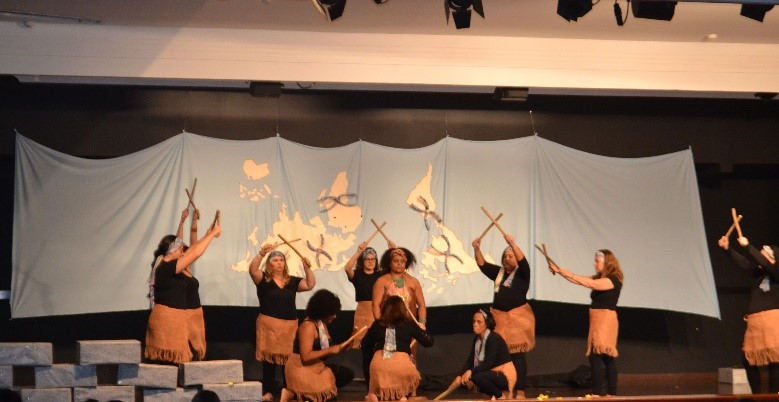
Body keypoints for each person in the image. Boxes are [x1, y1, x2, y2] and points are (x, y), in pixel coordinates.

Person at [145, 211, 221, 364]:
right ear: (172, 250)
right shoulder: (165, 267)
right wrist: (212, 234)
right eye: (180, 250)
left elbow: (193, 249)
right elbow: (194, 252)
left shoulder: (174, 267)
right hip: (168, 320)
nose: (182, 253)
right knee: (170, 365)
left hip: (180, 319)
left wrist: (205, 233)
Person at [549, 249, 623, 397]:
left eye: (597, 261)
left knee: (597, 356)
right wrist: (560, 271)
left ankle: (598, 393)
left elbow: (590, 284)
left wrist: (569, 273)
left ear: (607, 263)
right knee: (606, 357)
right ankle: (611, 394)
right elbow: (579, 280)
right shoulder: (600, 277)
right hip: (598, 320)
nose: (594, 264)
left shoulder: (612, 279)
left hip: (605, 320)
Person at [249, 244, 316, 401]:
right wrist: (261, 253)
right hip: (269, 326)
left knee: (288, 361)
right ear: (269, 263)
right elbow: (252, 270)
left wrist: (307, 268)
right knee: (269, 360)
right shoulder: (263, 279)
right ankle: (269, 391)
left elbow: (310, 284)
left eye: (281, 260)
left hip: (288, 327)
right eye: (275, 260)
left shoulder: (291, 281)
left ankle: (288, 389)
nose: (279, 263)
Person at [471, 234, 534, 397]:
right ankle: (502, 389)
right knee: (499, 355)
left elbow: (523, 261)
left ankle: (520, 390)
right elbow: (482, 264)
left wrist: (512, 244)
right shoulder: (499, 273)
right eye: (505, 256)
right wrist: (477, 248)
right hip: (499, 319)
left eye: (511, 256)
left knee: (517, 356)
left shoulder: (523, 273)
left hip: (517, 319)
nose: (507, 258)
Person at [718, 234, 779, 393]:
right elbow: (745, 263)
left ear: (773, 259)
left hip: (772, 322)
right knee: (748, 359)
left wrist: (748, 246)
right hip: (755, 324)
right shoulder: (759, 275)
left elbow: (765, 263)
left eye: (763, 255)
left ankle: (774, 396)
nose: (760, 258)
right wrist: (728, 249)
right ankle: (757, 394)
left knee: (775, 360)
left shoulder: (776, 274)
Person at [281, 289, 355, 402]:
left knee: (346, 374)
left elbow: (325, 349)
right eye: (332, 313)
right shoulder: (308, 326)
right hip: (301, 368)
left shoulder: (321, 324)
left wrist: (342, 347)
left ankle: (300, 396)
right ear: (322, 311)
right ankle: (294, 394)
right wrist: (330, 350)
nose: (335, 316)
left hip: (316, 365)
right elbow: (305, 357)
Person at [362, 295, 434, 401]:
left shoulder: (377, 324)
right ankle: (403, 396)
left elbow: (365, 344)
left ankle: (373, 392)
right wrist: (421, 329)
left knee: (372, 361)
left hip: (379, 369)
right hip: (402, 368)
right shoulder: (409, 324)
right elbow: (429, 342)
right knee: (410, 365)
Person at [344, 239, 394, 383]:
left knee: (382, 349)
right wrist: (359, 251)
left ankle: (383, 381)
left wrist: (392, 250)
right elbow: (347, 268)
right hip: (363, 314)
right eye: (367, 259)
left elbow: (394, 268)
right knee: (366, 351)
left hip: (379, 312)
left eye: (373, 259)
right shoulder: (357, 275)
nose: (370, 261)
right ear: (363, 261)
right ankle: (370, 384)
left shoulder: (381, 275)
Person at [452, 309, 516, 400]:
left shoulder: (493, 338)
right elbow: (470, 361)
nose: (475, 324)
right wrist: (460, 375)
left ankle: (500, 396)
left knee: (477, 376)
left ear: (487, 324)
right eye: (474, 321)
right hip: (491, 373)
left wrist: (470, 371)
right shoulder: (477, 340)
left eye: (479, 322)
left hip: (504, 374)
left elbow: (488, 363)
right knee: (468, 378)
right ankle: (496, 394)